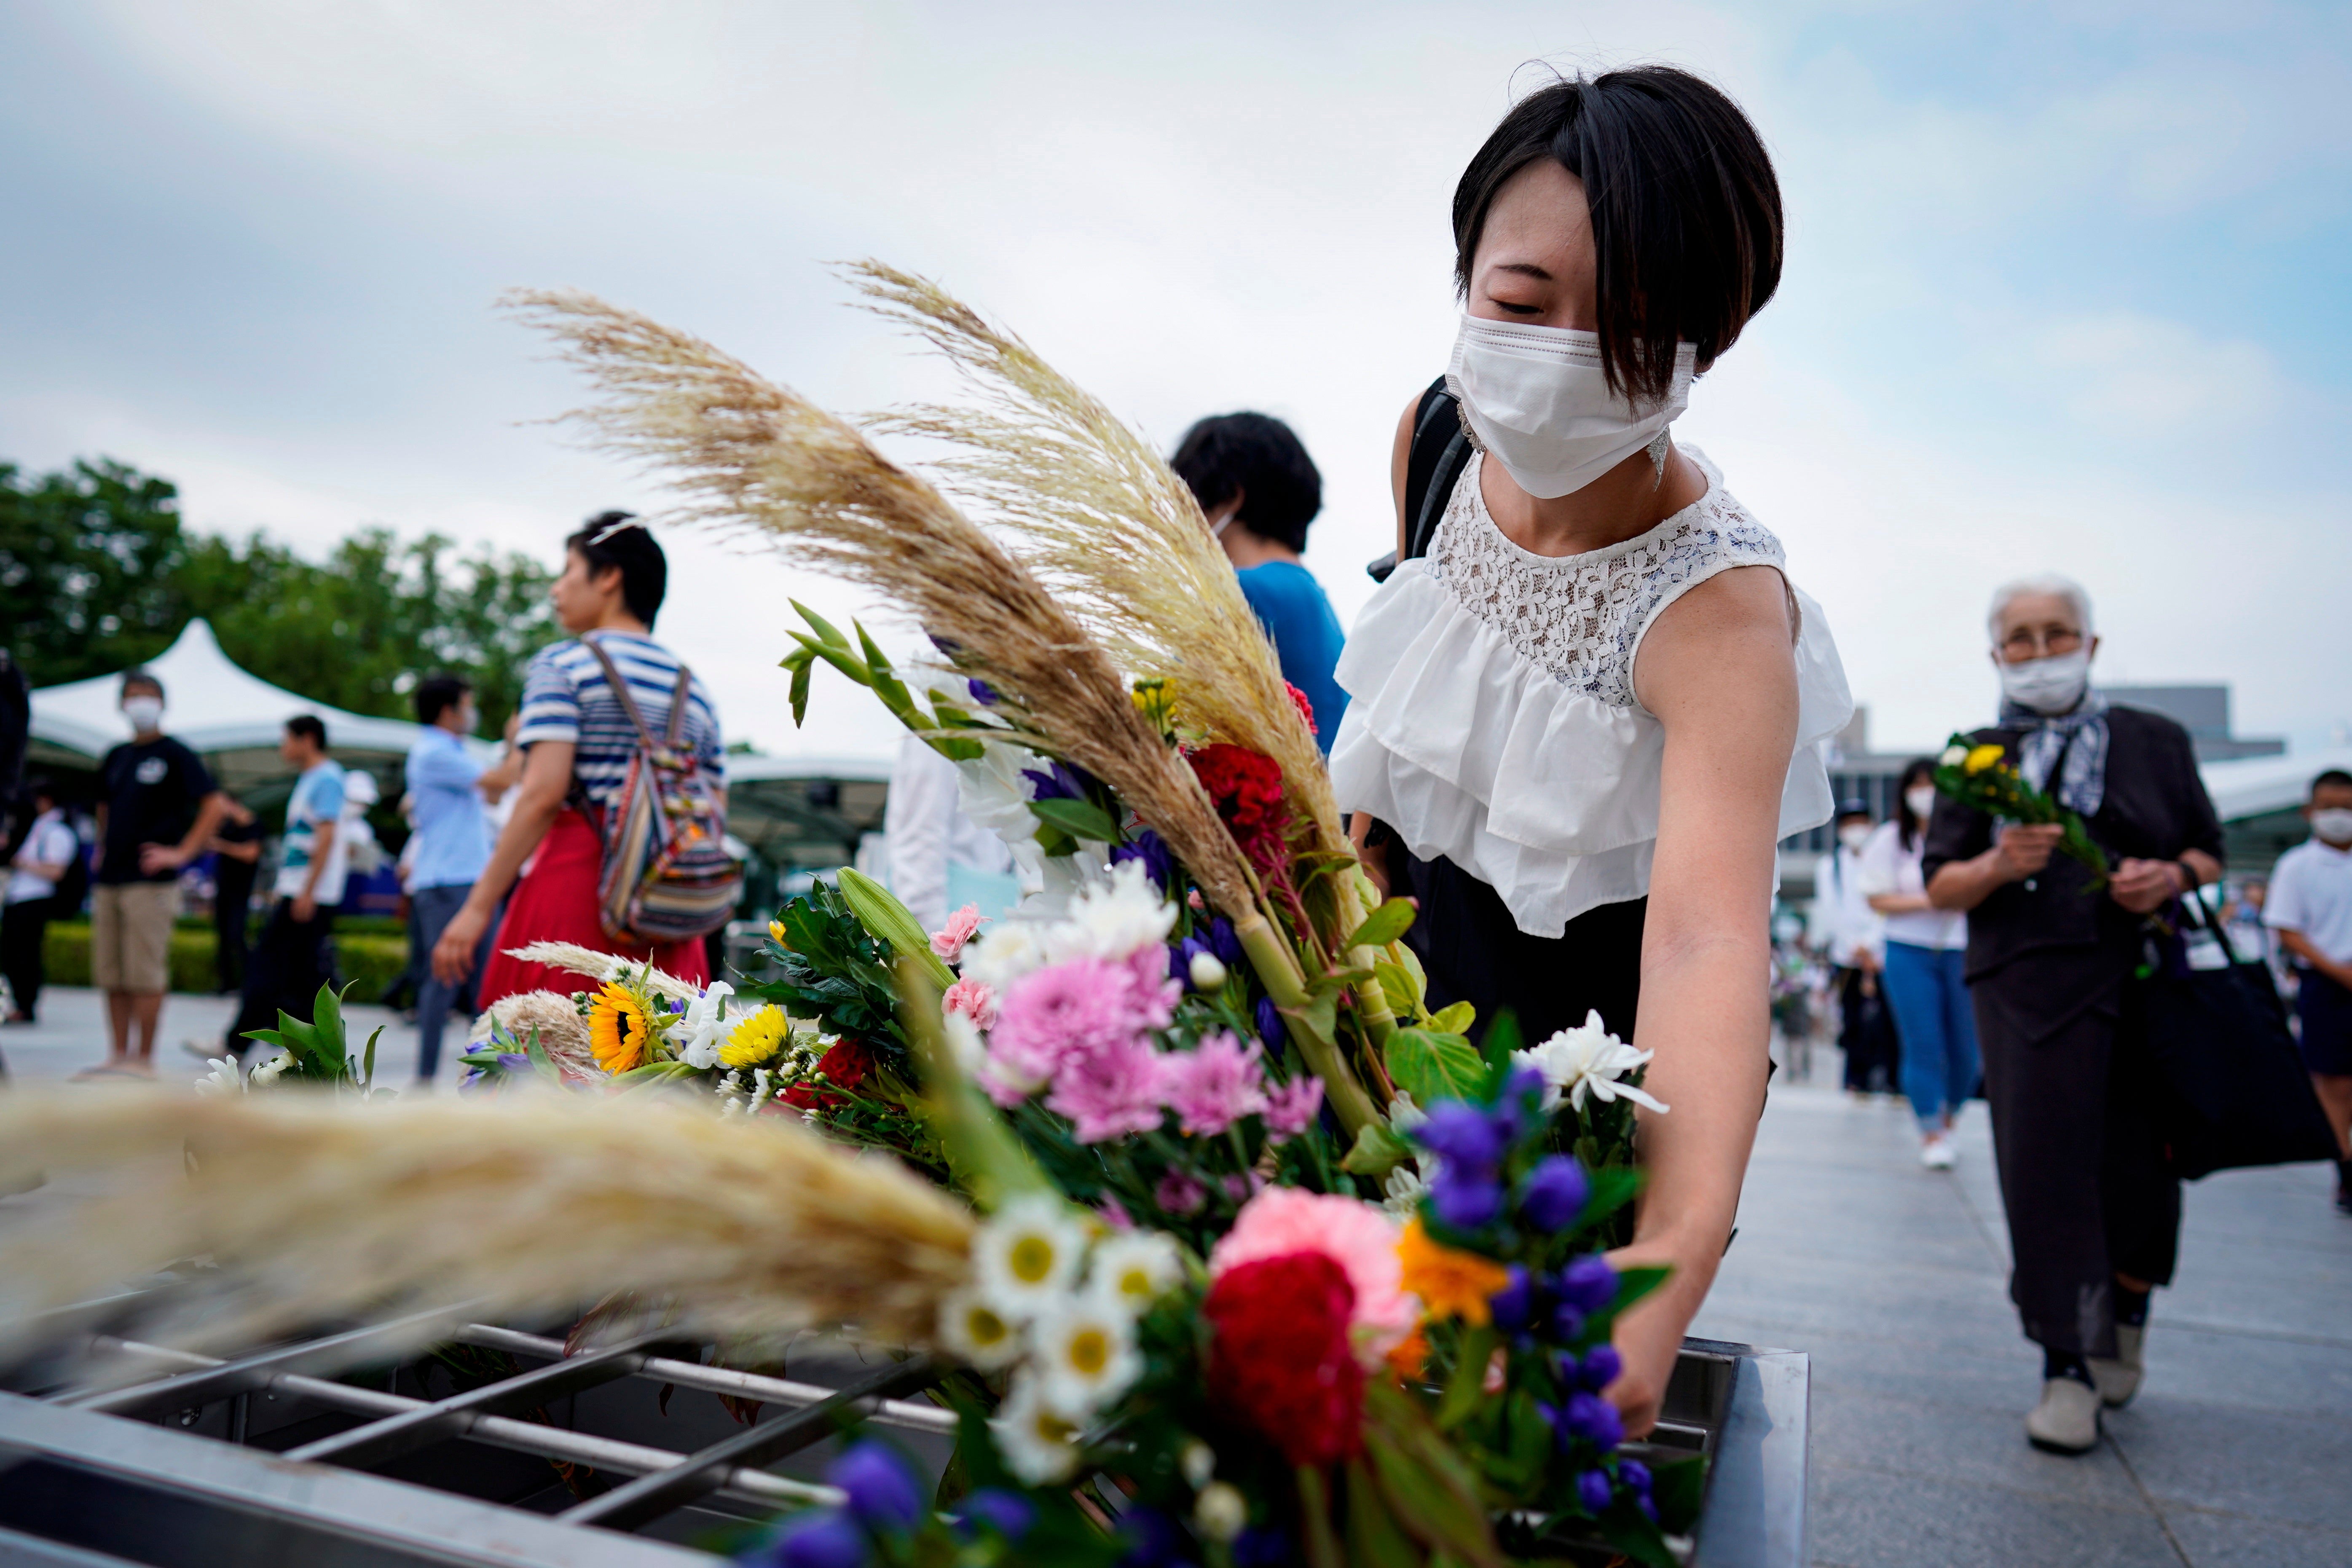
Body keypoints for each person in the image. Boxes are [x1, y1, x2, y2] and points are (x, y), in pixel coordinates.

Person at [1332, 69, 1850, 1436]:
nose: (1559, 355)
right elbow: (1406, 743)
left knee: (1492, 1443)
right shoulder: (1436, 436)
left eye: (1625, 328)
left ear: (1709, 341)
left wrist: (1671, 1250)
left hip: (1584, 1065)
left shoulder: (1721, 610)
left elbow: (1703, 941)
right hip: (1387, 1005)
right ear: (1465, 278)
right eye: (1518, 302)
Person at [1923, 574, 2224, 1455]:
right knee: (2044, 1170)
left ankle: (2126, 1308)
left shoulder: (2155, 741)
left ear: (2091, 644)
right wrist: (1999, 863)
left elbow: (2206, 847)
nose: (2040, 650)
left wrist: (2170, 876)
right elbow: (1940, 881)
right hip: (2022, 987)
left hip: (2143, 979)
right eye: (2020, 637)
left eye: (2058, 633)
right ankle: (2066, 1361)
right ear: (1996, 654)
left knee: (2141, 1163)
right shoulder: (1972, 758)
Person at [433, 514, 724, 1004]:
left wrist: (478, 907)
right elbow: (714, 812)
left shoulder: (564, 665)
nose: (556, 589)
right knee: (654, 1071)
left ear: (608, 577)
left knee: (545, 1064)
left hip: (576, 894)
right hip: (668, 915)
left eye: (569, 570)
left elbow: (543, 795)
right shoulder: (695, 691)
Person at [1170, 413, 1351, 753]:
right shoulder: (1313, 597)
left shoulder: (1241, 592)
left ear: (1229, 498)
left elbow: (1172, 728)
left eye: (1186, 499)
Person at [91, 670, 229, 1077]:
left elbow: (214, 805)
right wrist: (102, 846)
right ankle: (118, 1054)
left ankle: (144, 1059)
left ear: (162, 703)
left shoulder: (176, 753)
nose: (140, 703)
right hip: (111, 878)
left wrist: (182, 853)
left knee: (145, 971)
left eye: (148, 695)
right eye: (133, 696)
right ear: (121, 704)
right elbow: (104, 805)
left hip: (150, 882)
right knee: (111, 971)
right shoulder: (116, 755)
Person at [402, 674, 520, 1086]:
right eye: (467, 704)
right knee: (446, 980)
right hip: (447, 880)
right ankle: (428, 1079)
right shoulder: (434, 752)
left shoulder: (450, 751)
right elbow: (502, 782)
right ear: (448, 710)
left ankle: (483, 1076)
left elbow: (493, 794)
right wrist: (521, 741)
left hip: (461, 878)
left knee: (482, 979)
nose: (472, 713)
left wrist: (510, 749)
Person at [1861, 759, 1975, 1168]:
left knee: (1967, 1052)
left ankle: (1949, 1117)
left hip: (1963, 949)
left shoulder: (1968, 835)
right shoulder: (1890, 839)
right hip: (1908, 949)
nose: (1926, 793)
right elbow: (1875, 898)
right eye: (1918, 785)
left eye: (1934, 785)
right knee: (1923, 1044)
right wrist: (1931, 900)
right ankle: (1931, 1131)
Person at [224, 716, 348, 1057]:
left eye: (287, 740)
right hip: (299, 889)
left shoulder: (327, 778)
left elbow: (326, 836)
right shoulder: (312, 778)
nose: (283, 748)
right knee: (299, 974)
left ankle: (238, 1042)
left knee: (269, 965)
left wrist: (308, 890)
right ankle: (310, 1049)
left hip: (309, 893)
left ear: (307, 739)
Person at [2261, 768, 2352, 1213]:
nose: (2339, 817)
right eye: (2329, 808)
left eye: (2347, 808)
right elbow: (2287, 929)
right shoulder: (2297, 865)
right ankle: (2346, 1173)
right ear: (2309, 811)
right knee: (2333, 1086)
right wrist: (2338, 971)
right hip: (2327, 985)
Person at [885, 734, 1022, 935]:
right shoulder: (937, 721)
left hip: (990, 921)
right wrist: (934, 948)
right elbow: (919, 842)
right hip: (950, 934)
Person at [1818, 797, 1900, 1097]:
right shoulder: (1830, 866)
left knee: (1890, 1018)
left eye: (1860, 822)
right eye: (1849, 823)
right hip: (1847, 955)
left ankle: (1893, 1079)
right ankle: (1855, 1078)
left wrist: (1872, 946)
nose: (1856, 829)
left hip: (1882, 954)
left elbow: (1886, 904)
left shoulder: (1882, 858)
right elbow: (1832, 910)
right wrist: (1857, 948)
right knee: (1852, 1018)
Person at [3, 778, 78, 1024]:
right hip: (20, 896)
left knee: (25, 955)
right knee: (14, 954)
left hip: (35, 897)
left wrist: (19, 862)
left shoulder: (57, 831)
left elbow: (57, 871)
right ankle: (19, 1004)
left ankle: (26, 1006)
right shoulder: (38, 827)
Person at [207, 798, 263, 994]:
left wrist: (222, 845)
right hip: (224, 887)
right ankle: (226, 982)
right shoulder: (227, 827)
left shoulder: (254, 825)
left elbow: (251, 854)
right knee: (222, 935)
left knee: (237, 934)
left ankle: (250, 980)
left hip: (242, 889)